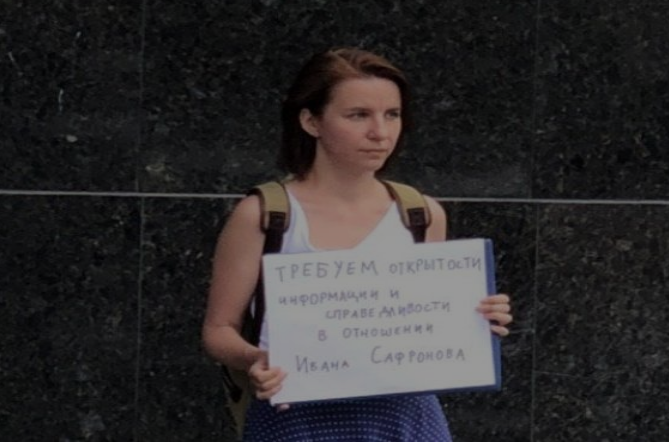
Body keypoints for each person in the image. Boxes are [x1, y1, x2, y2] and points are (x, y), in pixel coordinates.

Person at [202, 47, 514, 441]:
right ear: (311, 121)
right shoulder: (265, 215)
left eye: (392, 114)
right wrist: (255, 359)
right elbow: (218, 328)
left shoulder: (420, 214)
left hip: (405, 415)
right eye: (358, 115)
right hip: (297, 417)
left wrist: (476, 317)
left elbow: (425, 318)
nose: (380, 133)